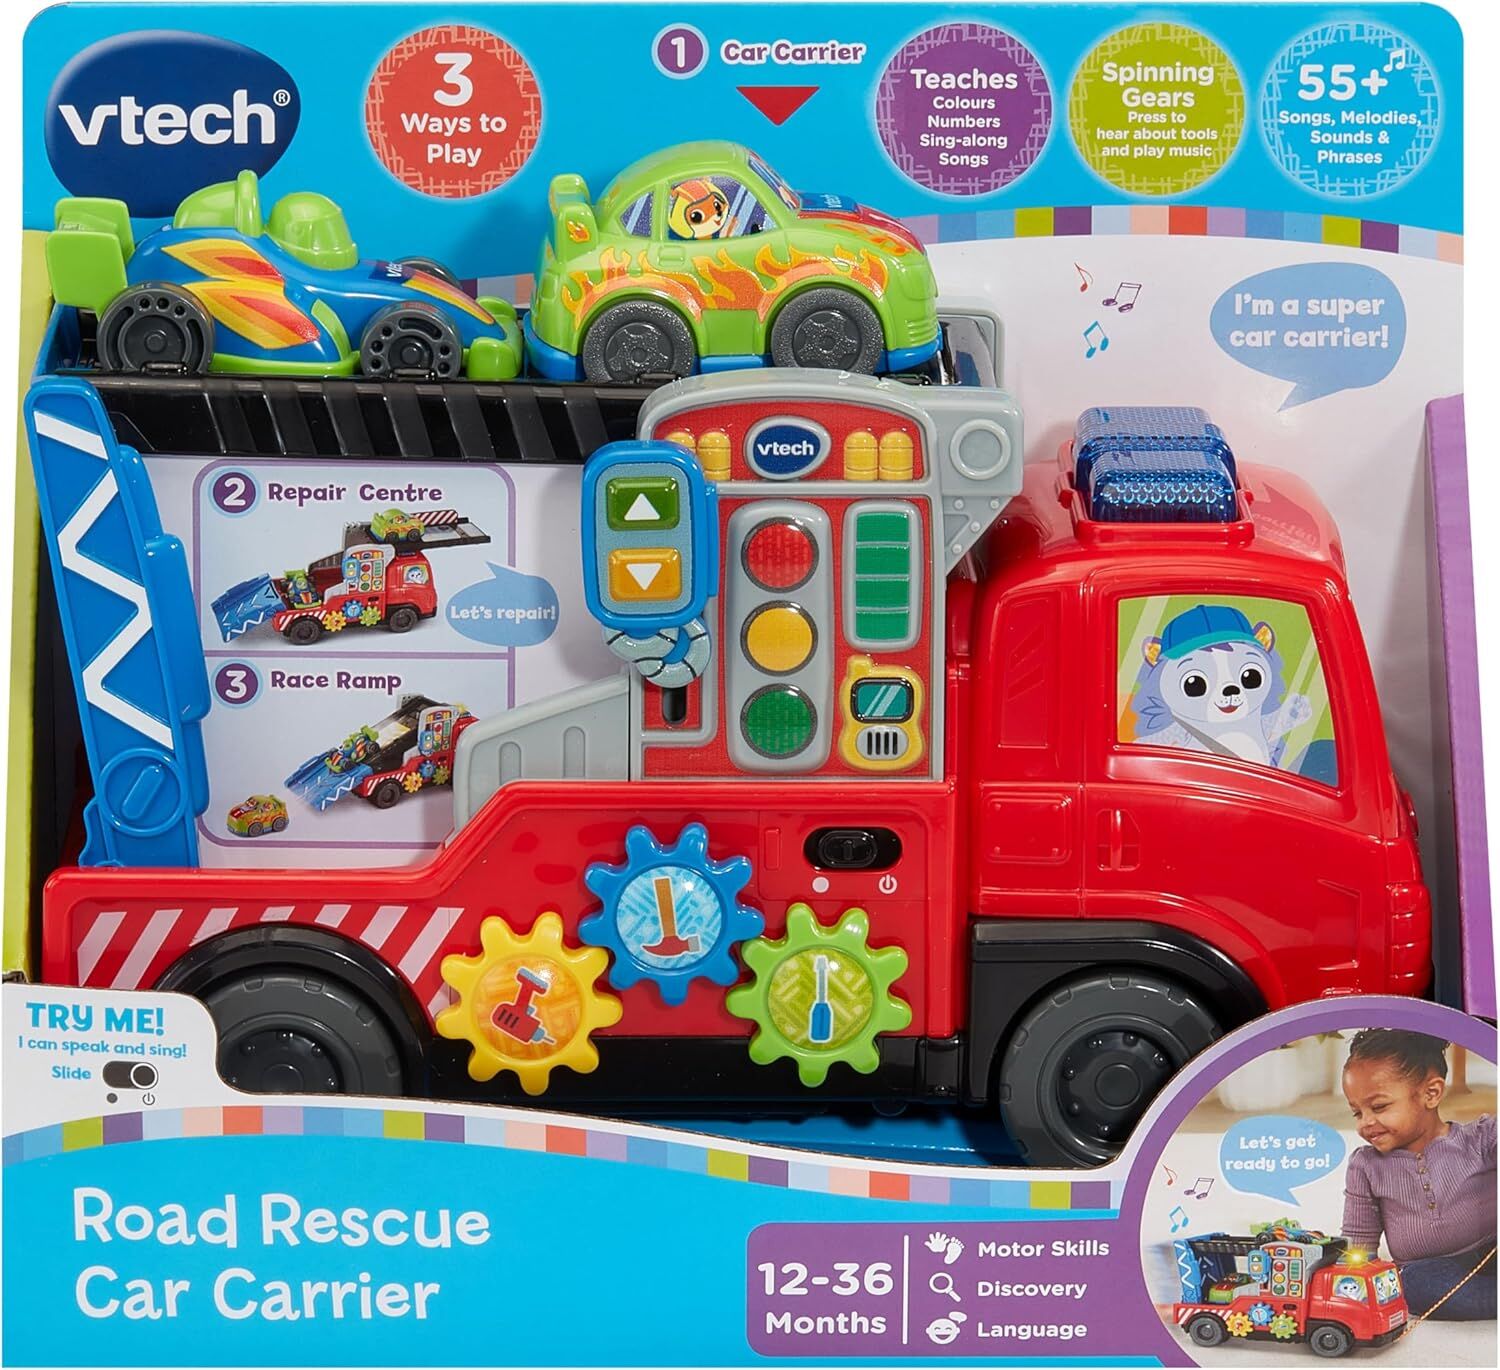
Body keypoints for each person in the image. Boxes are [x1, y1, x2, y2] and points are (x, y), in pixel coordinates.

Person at [1341, 1028, 1495, 1319]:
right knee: (1412, 1284)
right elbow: (1359, 1240)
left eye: (1379, 1107)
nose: (1366, 1122)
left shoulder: (1482, 1137)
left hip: (1491, 1250)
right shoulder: (1365, 1165)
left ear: (1431, 1093)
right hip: (1428, 1269)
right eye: (1357, 1113)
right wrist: (1352, 1282)